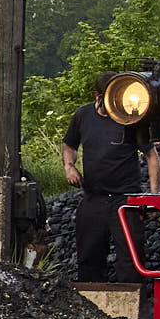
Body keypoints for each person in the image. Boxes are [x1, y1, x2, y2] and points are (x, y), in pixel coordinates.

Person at [59, 98, 146, 289]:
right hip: (94, 196)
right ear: (99, 96)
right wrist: (69, 167)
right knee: (89, 255)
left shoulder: (130, 117)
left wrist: (153, 196)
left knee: (131, 259)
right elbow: (70, 146)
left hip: (125, 198)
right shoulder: (83, 115)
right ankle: (91, 305)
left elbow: (151, 155)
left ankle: (133, 305)